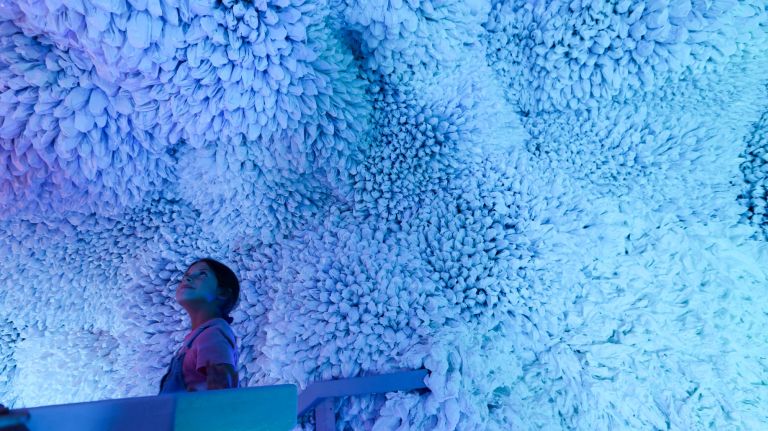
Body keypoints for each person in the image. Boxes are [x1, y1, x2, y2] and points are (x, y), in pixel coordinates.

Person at [158, 258, 240, 394]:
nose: (187, 279)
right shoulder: (199, 337)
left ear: (223, 293)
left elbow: (223, 396)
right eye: (186, 276)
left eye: (202, 274)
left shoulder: (213, 334)